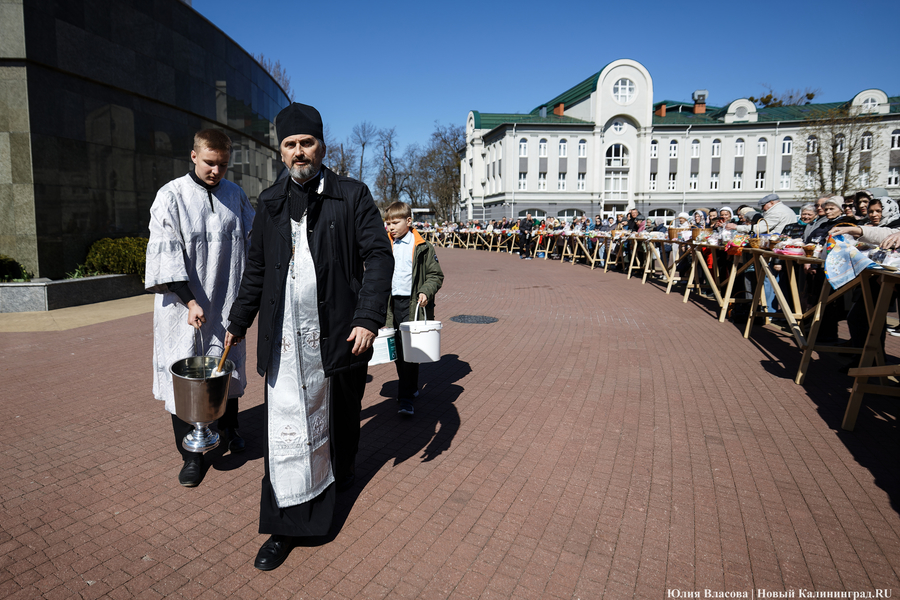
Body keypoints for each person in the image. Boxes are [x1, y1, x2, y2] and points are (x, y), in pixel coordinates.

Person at [223, 103, 393, 570]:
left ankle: (338, 476)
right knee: (286, 433)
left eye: (307, 143)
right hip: (284, 342)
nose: (299, 152)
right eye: (290, 145)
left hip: (339, 336)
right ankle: (285, 527)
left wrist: (367, 317)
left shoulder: (352, 195)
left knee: (339, 421)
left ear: (322, 146)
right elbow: (256, 269)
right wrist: (237, 322)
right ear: (280, 151)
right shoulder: (270, 201)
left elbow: (379, 256)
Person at [145, 129, 254, 488]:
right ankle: (191, 455)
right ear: (193, 156)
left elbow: (254, 243)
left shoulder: (235, 195)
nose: (216, 171)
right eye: (209, 163)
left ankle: (230, 428)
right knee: (187, 377)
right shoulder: (171, 196)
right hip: (182, 307)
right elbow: (165, 257)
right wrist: (189, 300)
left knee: (226, 364)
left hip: (225, 299)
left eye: (223, 164)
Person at [383, 202, 444, 416]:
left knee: (409, 350)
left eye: (395, 222)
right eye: (388, 223)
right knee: (397, 350)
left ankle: (406, 399)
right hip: (391, 305)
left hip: (412, 305)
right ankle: (410, 386)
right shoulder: (384, 244)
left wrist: (426, 291)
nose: (390, 227)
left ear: (408, 221)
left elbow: (435, 275)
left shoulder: (423, 246)